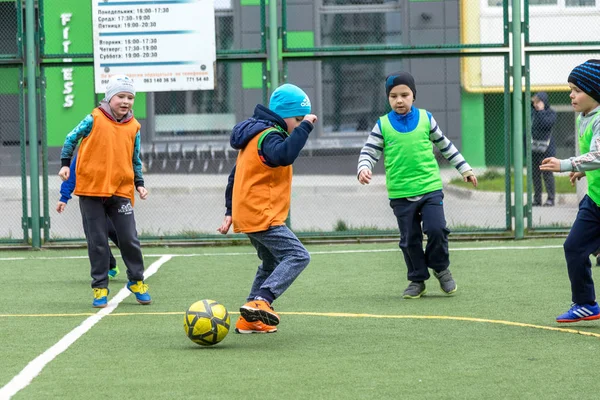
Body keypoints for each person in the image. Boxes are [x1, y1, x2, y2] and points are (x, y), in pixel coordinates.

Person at [357, 71, 478, 299]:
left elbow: (445, 145)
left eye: (404, 94)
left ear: (413, 96)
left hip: (430, 188)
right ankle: (417, 280)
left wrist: (465, 168)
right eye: (393, 96)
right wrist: (364, 167)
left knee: (436, 229)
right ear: (388, 98)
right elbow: (369, 151)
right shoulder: (382, 125)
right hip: (401, 193)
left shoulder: (426, 119)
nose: (399, 100)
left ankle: (441, 267)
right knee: (409, 240)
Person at [217, 83, 317, 333]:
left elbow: (235, 175)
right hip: (262, 215)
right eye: (297, 119)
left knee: (270, 264)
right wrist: (305, 128)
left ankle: (249, 319)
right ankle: (262, 300)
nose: (299, 124)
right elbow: (285, 155)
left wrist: (230, 210)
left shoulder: (256, 135)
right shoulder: (270, 136)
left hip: (249, 212)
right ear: (285, 116)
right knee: (298, 256)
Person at [58, 74, 151, 308]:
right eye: (121, 96)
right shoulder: (94, 118)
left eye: (130, 97)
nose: (126, 101)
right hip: (91, 190)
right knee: (98, 241)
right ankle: (100, 287)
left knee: (129, 238)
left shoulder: (134, 126)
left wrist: (139, 183)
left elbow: (134, 157)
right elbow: (71, 138)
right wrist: (64, 165)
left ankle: (136, 281)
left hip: (121, 190)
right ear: (110, 97)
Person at [540, 59, 600, 323]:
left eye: (577, 89)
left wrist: (566, 165)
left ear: (595, 92)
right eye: (570, 88)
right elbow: (593, 157)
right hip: (595, 200)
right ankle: (586, 303)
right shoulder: (583, 117)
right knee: (574, 247)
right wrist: (583, 170)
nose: (570, 94)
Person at [56, 153, 120, 280]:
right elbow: (72, 173)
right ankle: (110, 266)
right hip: (90, 199)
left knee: (116, 231)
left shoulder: (113, 144)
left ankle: (134, 260)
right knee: (95, 235)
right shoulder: (84, 149)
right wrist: (64, 197)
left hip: (112, 197)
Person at [530, 92, 557, 207]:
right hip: (534, 149)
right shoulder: (532, 113)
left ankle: (550, 199)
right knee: (535, 175)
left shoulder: (551, 113)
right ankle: (537, 199)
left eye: (538, 102)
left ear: (544, 102)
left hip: (547, 150)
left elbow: (546, 124)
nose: (536, 105)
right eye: (535, 102)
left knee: (547, 174)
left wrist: (541, 111)